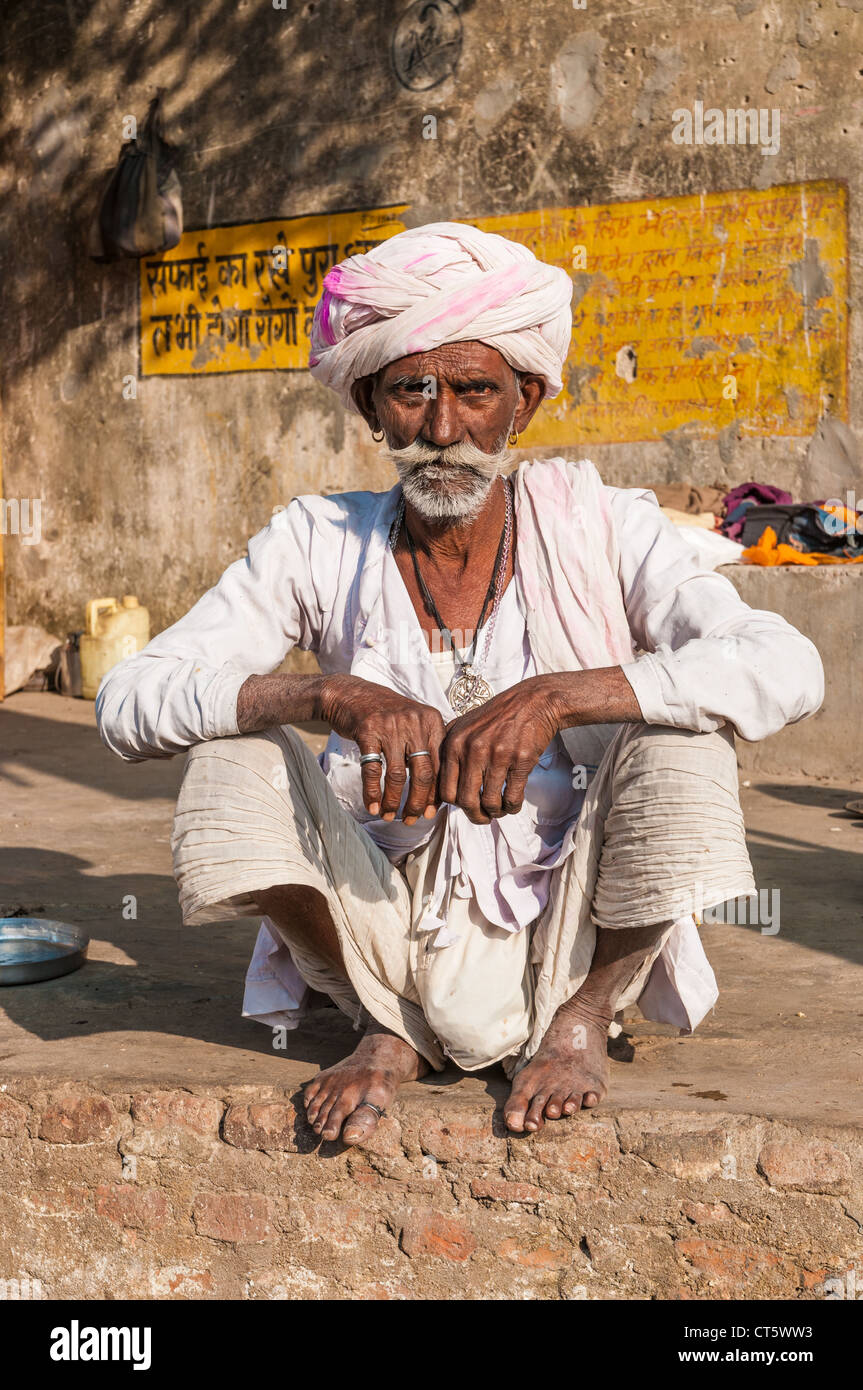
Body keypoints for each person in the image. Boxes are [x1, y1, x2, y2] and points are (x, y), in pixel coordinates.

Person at [96, 221, 824, 1147]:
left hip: (573, 922)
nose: (443, 429)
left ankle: (582, 1020)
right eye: (411, 392)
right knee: (231, 755)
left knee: (683, 740)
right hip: (378, 924)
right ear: (370, 405)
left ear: (525, 401)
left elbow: (784, 664)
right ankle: (384, 1027)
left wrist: (559, 695)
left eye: (475, 391)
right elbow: (129, 698)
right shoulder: (319, 540)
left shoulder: (602, 527)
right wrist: (330, 696)